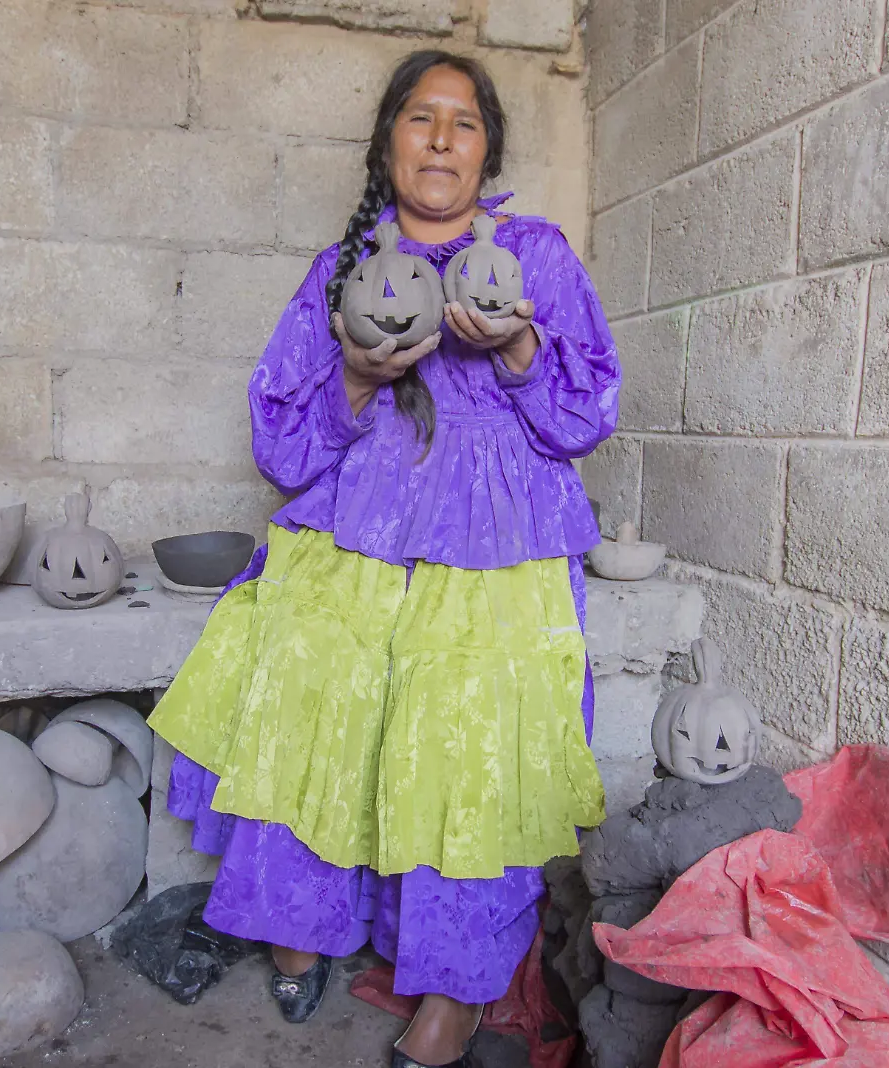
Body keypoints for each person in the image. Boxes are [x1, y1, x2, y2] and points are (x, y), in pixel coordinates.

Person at [148, 49, 620, 1068]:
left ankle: (453, 989)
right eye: (420, 117)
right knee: (311, 702)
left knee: (468, 748)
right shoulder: (341, 270)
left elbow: (586, 415)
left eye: (464, 121)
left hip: (497, 541)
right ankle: (299, 924)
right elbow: (280, 443)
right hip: (356, 521)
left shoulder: (533, 255)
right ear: (388, 142)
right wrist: (357, 377)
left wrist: (516, 350)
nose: (442, 136)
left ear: (485, 148)